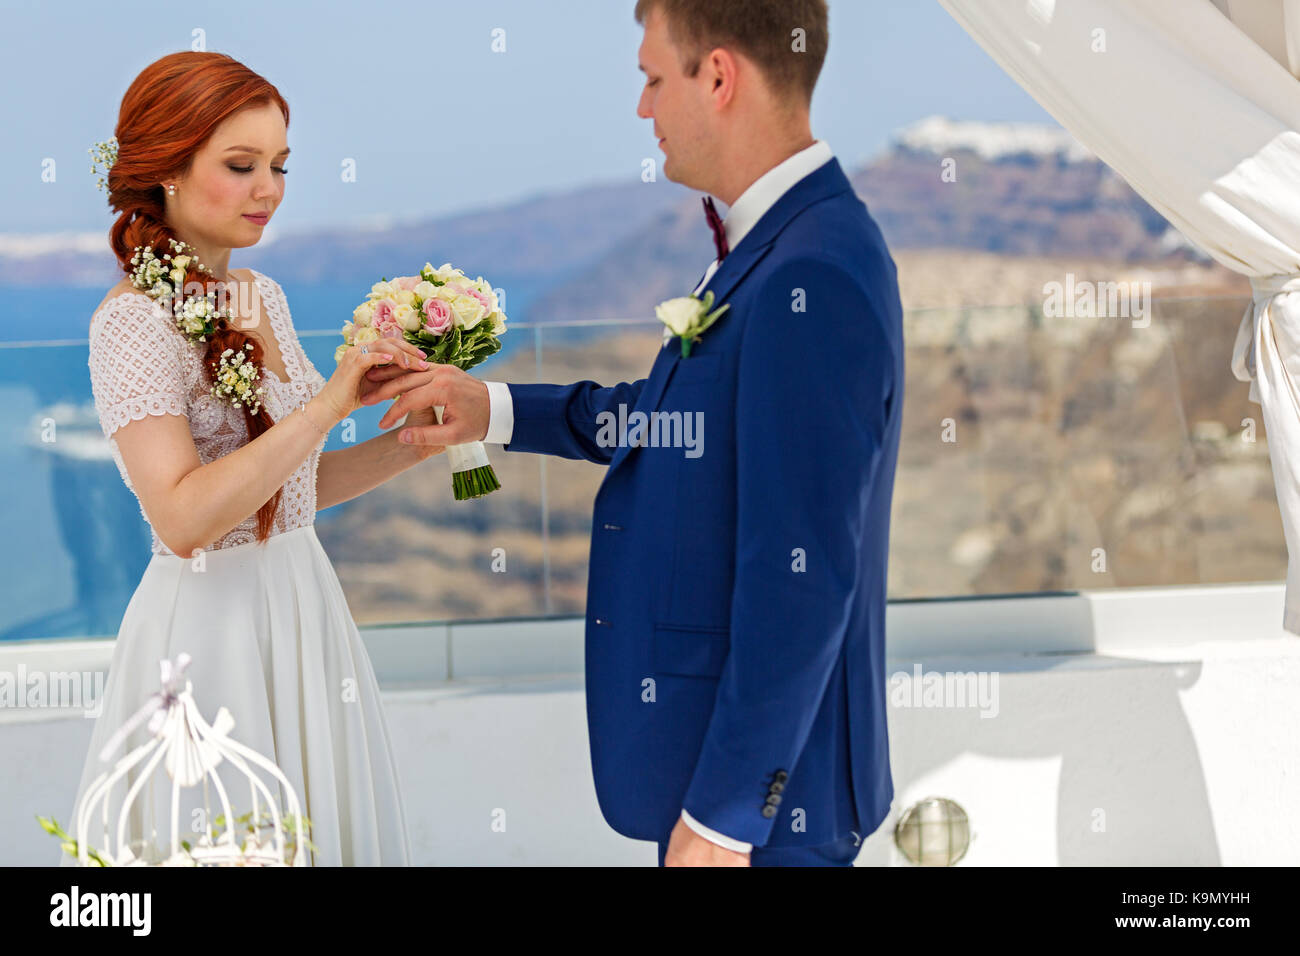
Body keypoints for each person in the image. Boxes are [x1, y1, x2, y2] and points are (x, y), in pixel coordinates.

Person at [364, 0, 905, 867]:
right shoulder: (777, 245)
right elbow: (675, 419)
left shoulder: (812, 272)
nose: (642, 107)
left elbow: (801, 572)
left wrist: (728, 819)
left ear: (719, 77)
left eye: (654, 78)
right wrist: (493, 410)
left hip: (770, 816)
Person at [65, 51, 435, 866]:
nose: (269, 188)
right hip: (209, 630)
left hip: (301, 603)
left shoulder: (261, 297)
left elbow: (289, 490)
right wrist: (331, 401)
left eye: (279, 165)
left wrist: (411, 443)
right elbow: (186, 516)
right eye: (241, 165)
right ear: (165, 170)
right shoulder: (131, 325)